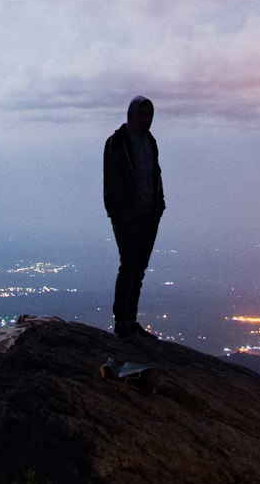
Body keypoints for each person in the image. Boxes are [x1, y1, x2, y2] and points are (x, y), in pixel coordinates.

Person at [103, 95, 165, 338]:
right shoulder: (117, 142)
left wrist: (159, 205)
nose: (146, 119)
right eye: (142, 114)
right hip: (127, 215)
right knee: (129, 264)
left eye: (149, 114)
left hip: (149, 213)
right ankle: (122, 322)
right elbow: (112, 179)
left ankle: (130, 320)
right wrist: (120, 212)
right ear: (132, 114)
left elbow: (154, 175)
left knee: (139, 267)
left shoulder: (150, 142)